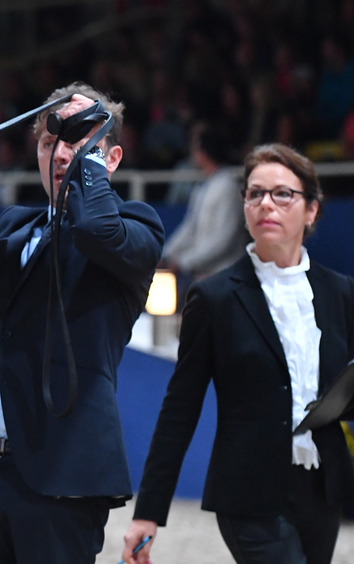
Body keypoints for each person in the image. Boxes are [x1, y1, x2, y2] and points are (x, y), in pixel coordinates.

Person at [0, 82, 164, 563]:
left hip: (63, 475)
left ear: (113, 158)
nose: (61, 153)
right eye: (48, 141)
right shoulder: (16, 226)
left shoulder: (138, 228)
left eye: (79, 141)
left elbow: (96, 231)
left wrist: (88, 162)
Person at [123, 144, 354, 564]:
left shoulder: (340, 292)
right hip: (248, 491)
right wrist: (149, 513)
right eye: (254, 193)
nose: (266, 203)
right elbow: (180, 408)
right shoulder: (215, 297)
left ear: (312, 211)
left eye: (282, 194)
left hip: (322, 488)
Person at [161, 124, 248, 292]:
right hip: (204, 277)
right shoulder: (203, 187)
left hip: (226, 277)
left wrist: (183, 262)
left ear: (204, 151)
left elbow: (224, 238)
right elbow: (190, 228)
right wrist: (167, 255)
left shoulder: (227, 186)